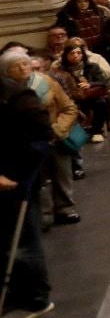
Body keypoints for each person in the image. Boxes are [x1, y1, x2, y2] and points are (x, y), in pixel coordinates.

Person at [2, 48, 80, 226]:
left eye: (25, 64)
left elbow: (69, 108)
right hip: (28, 143)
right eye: (16, 66)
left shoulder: (47, 82)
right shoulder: (7, 92)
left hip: (54, 136)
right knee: (39, 179)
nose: (23, 69)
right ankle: (44, 214)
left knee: (62, 174)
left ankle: (65, 208)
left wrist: (58, 130)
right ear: (6, 71)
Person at [0, 83, 55, 318]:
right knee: (8, 244)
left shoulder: (17, 96)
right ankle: (16, 294)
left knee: (22, 244)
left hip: (13, 183)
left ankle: (36, 299)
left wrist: (20, 176)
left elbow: (41, 137)